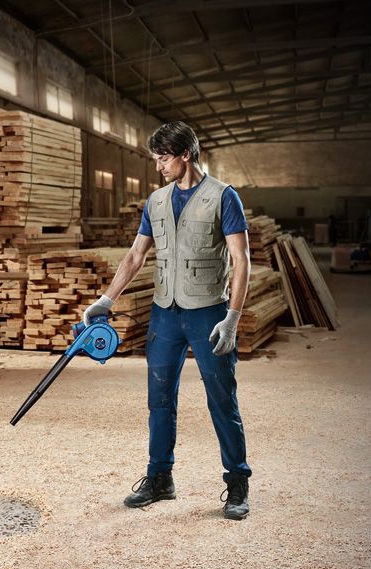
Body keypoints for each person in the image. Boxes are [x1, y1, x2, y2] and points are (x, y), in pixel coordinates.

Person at [83, 121, 252, 520]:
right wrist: (106, 300)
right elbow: (135, 256)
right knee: (159, 400)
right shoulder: (155, 201)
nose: (158, 166)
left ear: (185, 156)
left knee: (221, 399)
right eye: (156, 158)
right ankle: (160, 479)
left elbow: (242, 261)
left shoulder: (223, 197)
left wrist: (232, 319)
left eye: (163, 158)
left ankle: (238, 483)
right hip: (165, 314)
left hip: (209, 312)